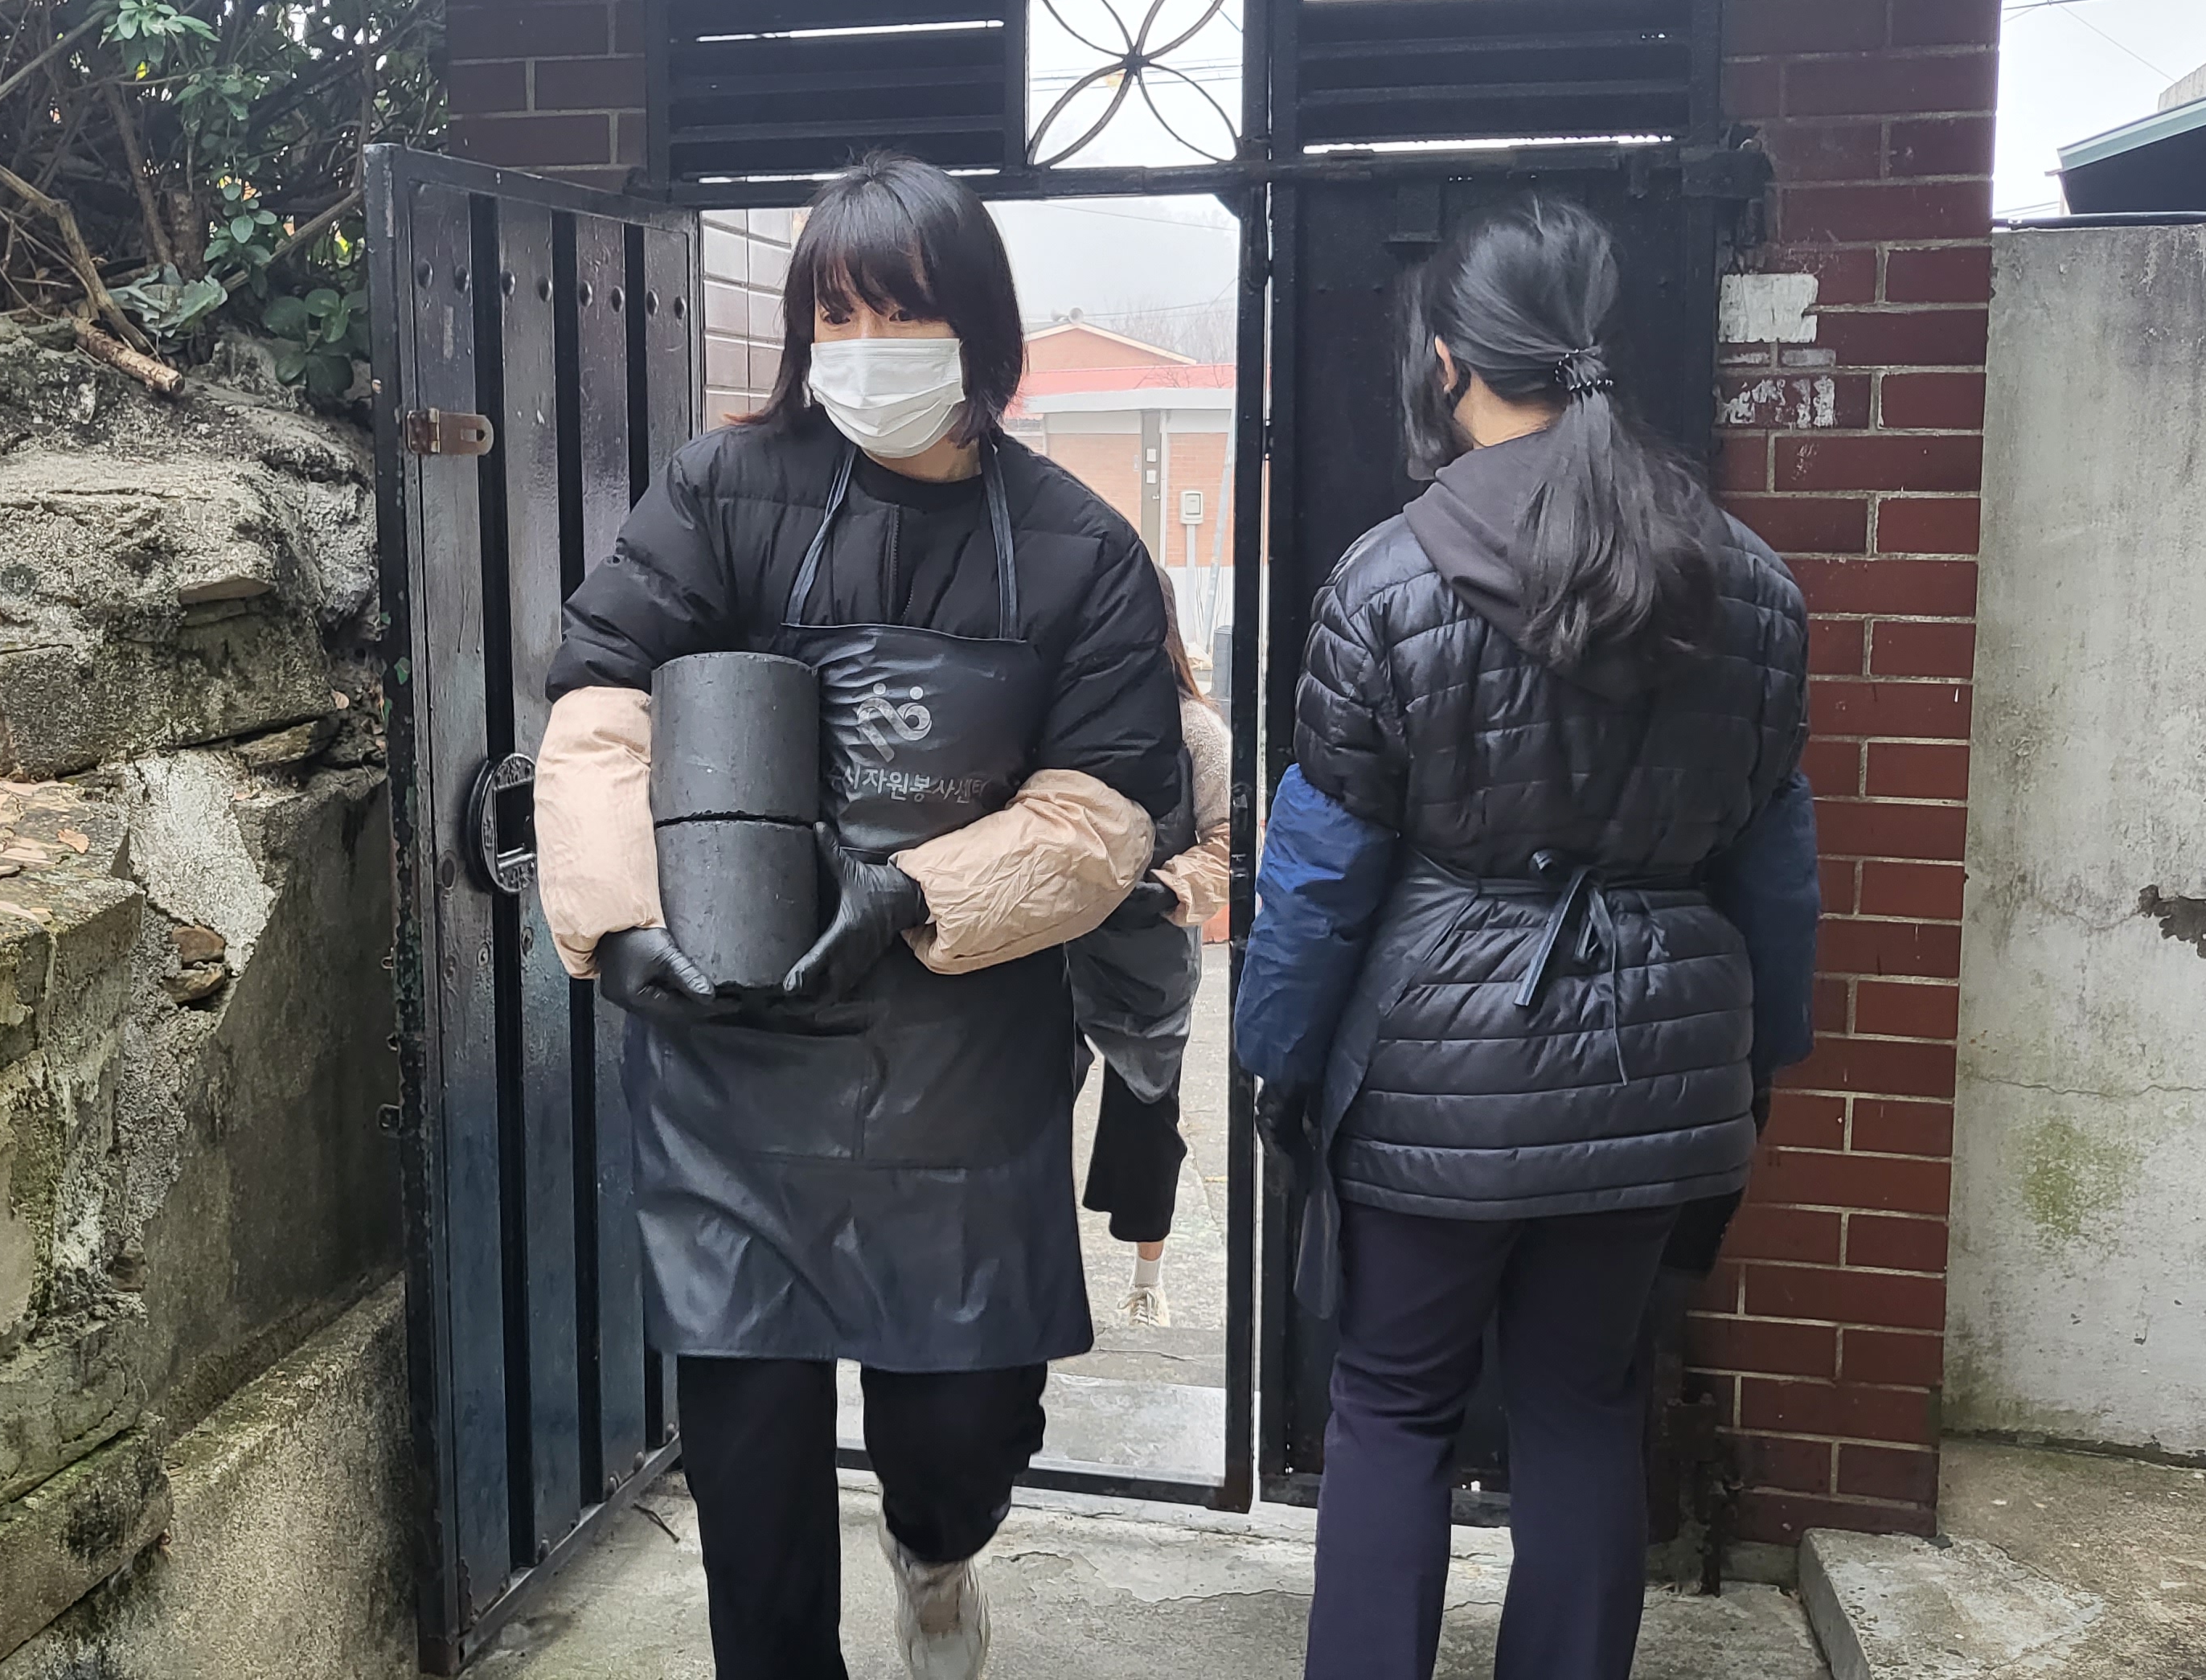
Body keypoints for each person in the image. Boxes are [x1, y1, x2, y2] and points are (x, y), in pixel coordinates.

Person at [531, 149, 1186, 1680]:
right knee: (752, 1471)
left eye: (904, 312)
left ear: (981, 331)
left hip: (964, 1066)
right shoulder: (723, 491)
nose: (869, 347)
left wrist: (903, 892)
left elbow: (1106, 812)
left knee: (961, 1429)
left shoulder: (1082, 550)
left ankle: (937, 1548)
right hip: (736, 1059)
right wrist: (622, 922)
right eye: (838, 314)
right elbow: (603, 699)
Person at [1234, 196, 1814, 1680]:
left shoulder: (1385, 579)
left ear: (1447, 362)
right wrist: (1756, 1061)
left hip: (1436, 1078)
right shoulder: (1750, 583)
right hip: (1657, 1073)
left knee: (1392, 1404)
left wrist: (1275, 1060)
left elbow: (1317, 872)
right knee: (1585, 1406)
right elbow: (1777, 863)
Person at [1065, 584, 1231, 1329]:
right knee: (1028, 1111)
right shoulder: (1067, 719)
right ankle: (1043, 1269)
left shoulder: (1198, 731)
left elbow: (1231, 843)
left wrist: (1167, 890)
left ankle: (1146, 1282)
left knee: (1147, 1117)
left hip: (1153, 951)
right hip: (1056, 942)